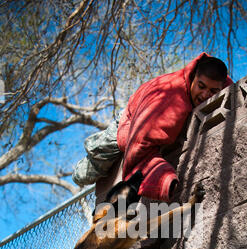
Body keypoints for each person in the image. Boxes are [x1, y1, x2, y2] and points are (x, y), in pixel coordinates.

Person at [72, 53, 233, 201]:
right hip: (128, 121)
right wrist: (163, 181)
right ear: (194, 78)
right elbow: (138, 149)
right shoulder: (168, 106)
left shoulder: (219, 80)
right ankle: (84, 163)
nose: (206, 95)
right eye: (201, 86)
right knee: (84, 174)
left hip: (146, 109)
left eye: (213, 91)